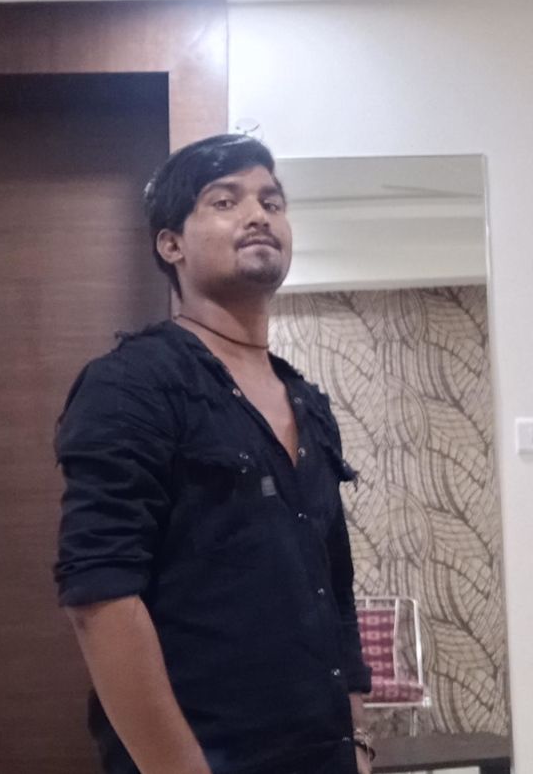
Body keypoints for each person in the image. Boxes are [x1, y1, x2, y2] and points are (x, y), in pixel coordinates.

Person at [54, 134, 374, 774]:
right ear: (170, 244)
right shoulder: (133, 383)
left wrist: (358, 737)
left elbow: (335, 585)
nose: (259, 215)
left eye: (272, 202)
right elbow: (100, 596)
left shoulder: (308, 402)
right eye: (225, 201)